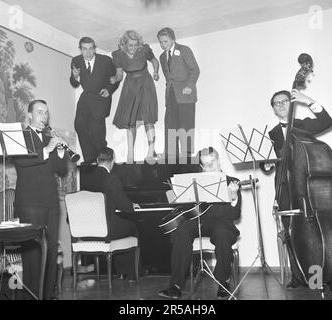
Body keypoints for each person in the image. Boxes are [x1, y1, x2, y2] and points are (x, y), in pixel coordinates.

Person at [262, 89, 332, 288]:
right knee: (290, 233)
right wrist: (265, 164)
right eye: (276, 103)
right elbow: (267, 162)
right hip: (284, 189)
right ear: (274, 109)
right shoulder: (272, 134)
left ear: (292, 103)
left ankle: (320, 278)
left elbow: (327, 121)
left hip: (307, 190)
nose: (281, 105)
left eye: (284, 101)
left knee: (315, 236)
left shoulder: (304, 126)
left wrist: (308, 100)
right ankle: (298, 277)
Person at [159, 147, 241, 299]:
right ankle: (176, 285)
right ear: (201, 167)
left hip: (222, 223)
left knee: (222, 232)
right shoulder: (194, 182)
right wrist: (175, 195)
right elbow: (185, 207)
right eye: (206, 164)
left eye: (213, 163)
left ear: (218, 160)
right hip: (200, 221)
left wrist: (234, 195)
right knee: (181, 229)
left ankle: (224, 282)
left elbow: (235, 215)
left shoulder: (232, 182)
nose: (210, 167)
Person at [14, 100, 68, 299]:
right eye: (39, 112)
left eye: (46, 112)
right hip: (29, 203)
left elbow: (60, 169)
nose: (44, 116)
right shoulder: (20, 136)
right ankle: (32, 296)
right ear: (29, 115)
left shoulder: (48, 138)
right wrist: (48, 149)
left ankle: (48, 295)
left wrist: (60, 151)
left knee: (51, 250)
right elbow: (22, 161)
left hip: (51, 203)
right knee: (33, 255)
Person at [84, 147, 139, 279]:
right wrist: (132, 205)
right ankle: (130, 273)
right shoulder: (111, 177)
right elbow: (124, 206)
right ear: (113, 160)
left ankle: (120, 271)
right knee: (132, 227)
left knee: (119, 225)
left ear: (98, 160)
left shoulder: (86, 179)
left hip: (87, 228)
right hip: (106, 228)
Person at [111, 30, 159, 162]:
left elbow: (155, 61)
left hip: (145, 83)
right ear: (124, 44)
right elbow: (120, 74)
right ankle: (130, 154)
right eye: (130, 45)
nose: (133, 48)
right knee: (130, 121)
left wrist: (155, 71)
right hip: (130, 86)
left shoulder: (144, 50)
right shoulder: (118, 55)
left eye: (135, 45)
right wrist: (115, 79)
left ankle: (150, 152)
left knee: (148, 118)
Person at [70, 37, 119, 163]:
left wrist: (109, 89)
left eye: (91, 48)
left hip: (100, 98)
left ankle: (104, 160)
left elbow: (114, 79)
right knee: (79, 125)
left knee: (96, 130)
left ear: (95, 48)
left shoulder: (105, 61)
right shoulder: (76, 61)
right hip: (86, 97)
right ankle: (90, 160)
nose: (88, 52)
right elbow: (74, 83)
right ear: (80, 49)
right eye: (85, 49)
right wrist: (75, 77)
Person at [157, 27, 200, 159]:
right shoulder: (162, 57)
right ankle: (171, 154)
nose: (163, 45)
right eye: (160, 42)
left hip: (185, 95)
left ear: (173, 39)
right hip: (171, 95)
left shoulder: (184, 50)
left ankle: (186, 156)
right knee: (170, 124)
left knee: (186, 125)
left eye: (165, 41)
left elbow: (195, 70)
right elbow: (168, 77)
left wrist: (190, 85)